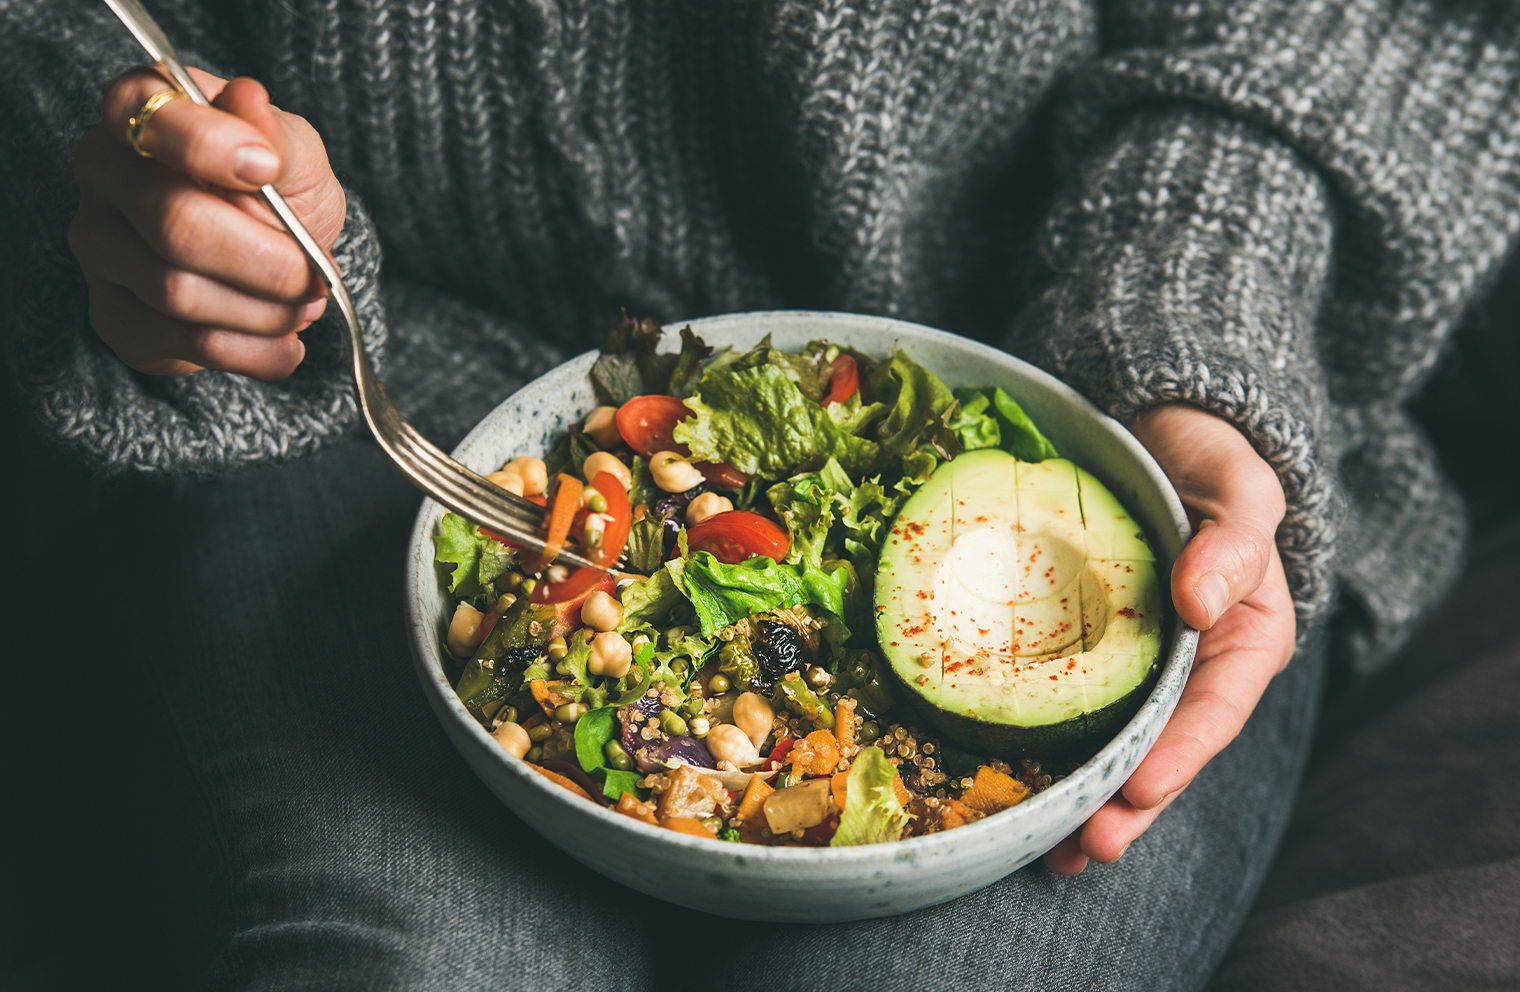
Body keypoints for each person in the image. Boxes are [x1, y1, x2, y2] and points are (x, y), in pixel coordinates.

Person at [1, 0, 1512, 988]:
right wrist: (148, 177)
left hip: (1081, 382)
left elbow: (1358, 32)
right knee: (416, 959)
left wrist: (1188, 304)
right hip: (324, 403)